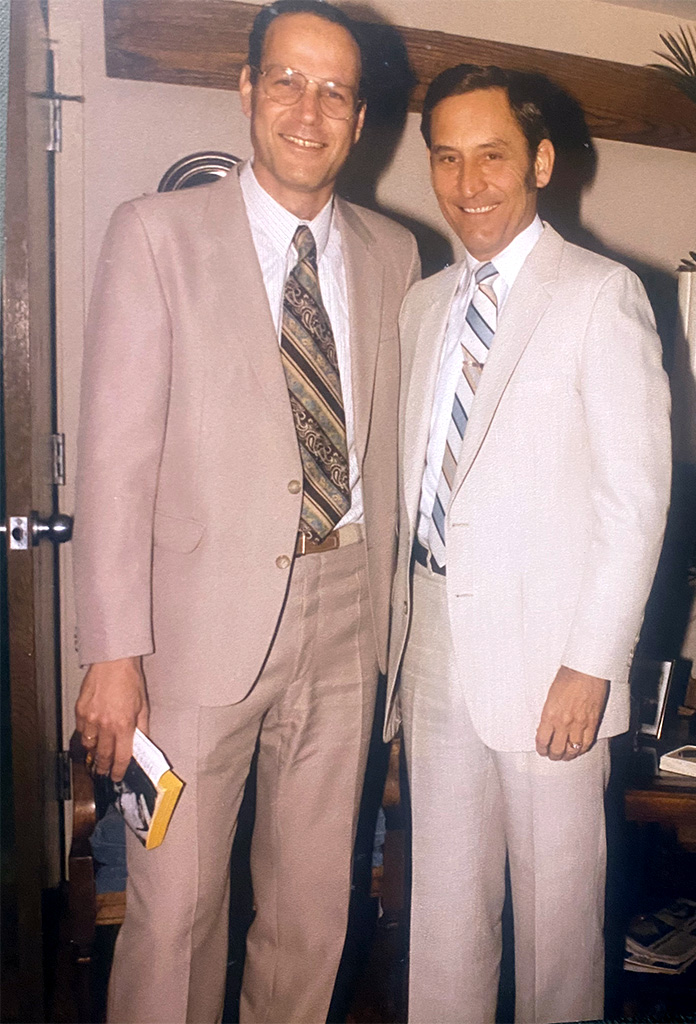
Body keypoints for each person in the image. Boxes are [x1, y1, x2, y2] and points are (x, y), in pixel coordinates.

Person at [73, 2, 419, 1020]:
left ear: (360, 121)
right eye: (287, 80)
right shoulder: (156, 235)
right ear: (246, 89)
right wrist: (111, 651)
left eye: (335, 91)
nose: (307, 109)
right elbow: (112, 462)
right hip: (191, 633)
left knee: (314, 912)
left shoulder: (397, 253)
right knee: (175, 912)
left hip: (350, 610)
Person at [385, 65, 671, 1024]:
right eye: (449, 159)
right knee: (445, 916)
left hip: (553, 661)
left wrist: (592, 665)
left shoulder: (602, 296)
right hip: (431, 648)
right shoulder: (422, 307)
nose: (470, 184)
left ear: (541, 162)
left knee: (556, 929)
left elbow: (634, 505)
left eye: (493, 157)